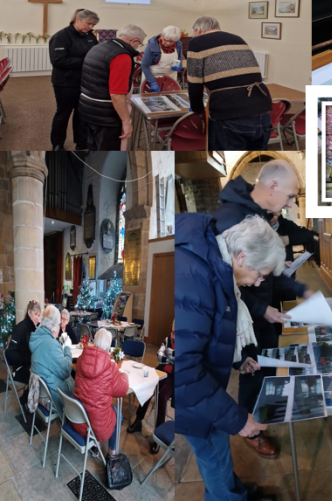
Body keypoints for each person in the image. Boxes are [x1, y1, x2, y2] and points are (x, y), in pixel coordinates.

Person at [176, 214, 285, 501]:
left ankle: (234, 490)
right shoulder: (195, 278)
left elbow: (208, 331)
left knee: (219, 454)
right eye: (260, 274)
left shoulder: (217, 266)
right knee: (213, 454)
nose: (257, 282)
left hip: (207, 391)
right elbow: (185, 370)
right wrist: (237, 418)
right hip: (196, 400)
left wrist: (238, 360)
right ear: (241, 256)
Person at [213, 160, 308, 458]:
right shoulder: (232, 218)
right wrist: (260, 308)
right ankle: (250, 430)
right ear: (274, 186)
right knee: (251, 372)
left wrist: (300, 289)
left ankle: (260, 416)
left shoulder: (258, 215)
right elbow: (226, 282)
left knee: (263, 368)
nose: (291, 203)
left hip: (262, 313)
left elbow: (263, 270)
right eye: (291, 196)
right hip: (247, 318)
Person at [186, 16, 274, 150]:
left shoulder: (196, 42)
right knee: (256, 160)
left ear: (198, 30)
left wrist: (197, 108)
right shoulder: (237, 38)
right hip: (263, 108)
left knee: (225, 163)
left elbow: (194, 82)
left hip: (230, 113)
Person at [78, 23, 146, 150]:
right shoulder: (121, 56)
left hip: (87, 108)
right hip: (106, 115)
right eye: (140, 44)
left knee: (94, 147)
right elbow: (116, 94)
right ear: (134, 41)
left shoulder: (98, 47)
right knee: (109, 152)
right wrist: (127, 122)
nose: (138, 47)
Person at [72, 328, 128, 455]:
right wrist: (124, 375)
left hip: (78, 420)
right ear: (108, 347)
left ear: (94, 341)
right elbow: (122, 390)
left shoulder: (81, 359)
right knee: (118, 411)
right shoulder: (111, 367)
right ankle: (111, 453)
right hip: (98, 428)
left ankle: (94, 446)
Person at [49, 9, 99, 151]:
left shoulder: (89, 36)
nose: (90, 27)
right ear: (77, 19)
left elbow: (94, 52)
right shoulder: (61, 36)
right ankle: (57, 144)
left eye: (93, 25)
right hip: (65, 82)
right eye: (88, 23)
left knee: (81, 112)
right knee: (63, 113)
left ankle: (81, 142)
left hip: (84, 81)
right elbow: (58, 60)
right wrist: (85, 61)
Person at [129, 320, 175, 454]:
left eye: (176, 333)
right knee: (148, 387)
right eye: (172, 332)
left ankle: (159, 436)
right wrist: (170, 355)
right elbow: (159, 356)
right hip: (161, 372)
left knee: (161, 397)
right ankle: (138, 420)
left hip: (175, 378)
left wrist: (169, 354)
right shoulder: (167, 340)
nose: (173, 335)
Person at [29, 305, 75, 412]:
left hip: (41, 394)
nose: (60, 327)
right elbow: (66, 371)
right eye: (59, 324)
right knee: (80, 385)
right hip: (52, 399)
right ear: (54, 326)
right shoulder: (50, 344)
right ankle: (75, 419)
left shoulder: (38, 337)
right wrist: (67, 347)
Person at [6, 300, 40, 406]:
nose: (37, 318)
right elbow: (10, 352)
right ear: (29, 312)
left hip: (31, 365)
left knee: (44, 373)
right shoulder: (19, 328)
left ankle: (34, 402)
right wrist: (26, 359)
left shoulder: (35, 329)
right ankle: (26, 400)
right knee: (39, 378)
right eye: (35, 314)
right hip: (20, 368)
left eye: (39, 315)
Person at [141, 26, 184, 91]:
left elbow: (179, 58)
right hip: (153, 77)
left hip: (170, 77)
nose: (168, 43)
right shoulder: (152, 44)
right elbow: (144, 65)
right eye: (166, 40)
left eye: (172, 42)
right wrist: (152, 82)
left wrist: (178, 65)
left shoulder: (178, 44)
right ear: (162, 36)